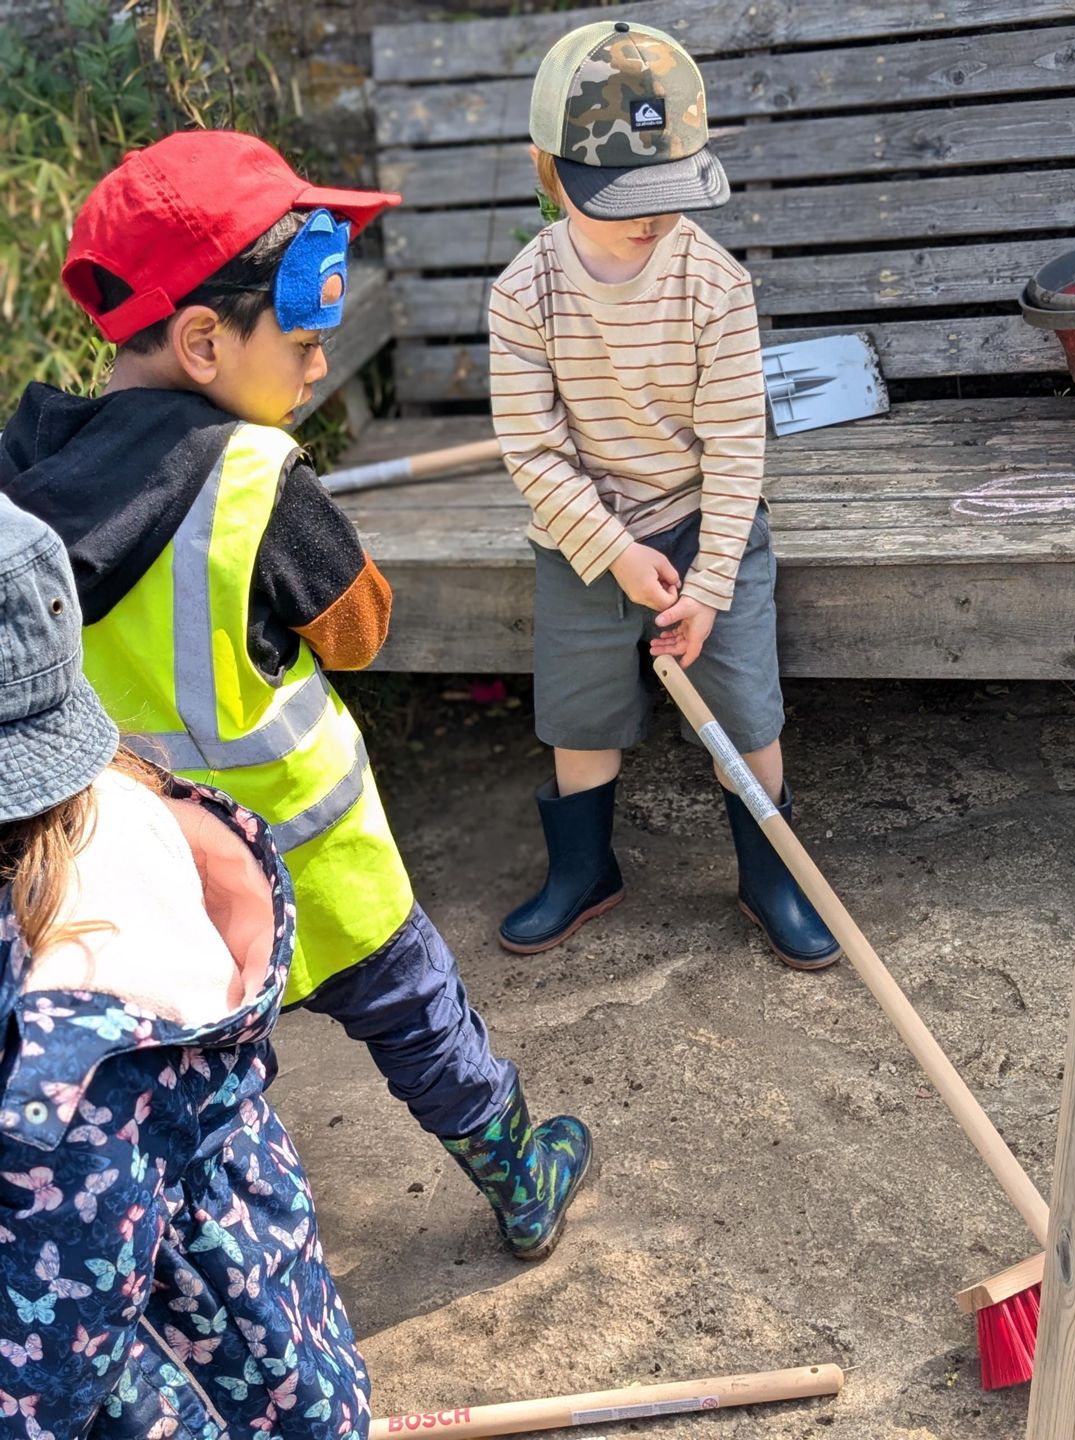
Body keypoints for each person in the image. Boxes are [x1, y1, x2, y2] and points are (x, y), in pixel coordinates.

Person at [0, 130, 589, 1261]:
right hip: (315, 856)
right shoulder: (258, 479)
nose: (318, 368)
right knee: (419, 1016)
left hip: (159, 875)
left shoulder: (25, 475)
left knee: (212, 1078)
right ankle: (522, 1175)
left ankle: (220, 1263)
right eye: (306, 342)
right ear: (204, 341)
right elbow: (360, 631)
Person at [0, 494, 371, 1437]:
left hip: (179, 1366)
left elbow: (55, 1345)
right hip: (255, 1270)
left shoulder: (62, 1049)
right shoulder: (129, 803)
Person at [489, 21, 840, 971]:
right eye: (623, 200)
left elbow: (735, 445)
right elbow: (533, 449)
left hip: (702, 522)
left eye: (669, 193)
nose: (651, 221)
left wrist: (712, 581)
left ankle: (772, 877)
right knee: (579, 717)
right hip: (581, 537)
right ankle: (583, 871)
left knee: (743, 712)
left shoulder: (713, 284)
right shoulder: (524, 294)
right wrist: (610, 550)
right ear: (548, 170)